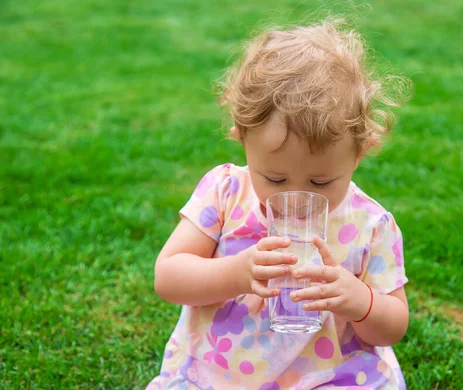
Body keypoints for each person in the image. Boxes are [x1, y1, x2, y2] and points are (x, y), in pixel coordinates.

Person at [147, 18, 410, 390]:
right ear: (242, 139)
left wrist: (361, 302)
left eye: (320, 181)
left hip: (328, 376)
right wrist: (235, 273)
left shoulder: (370, 224)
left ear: (360, 153)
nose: (298, 197)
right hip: (224, 374)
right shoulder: (225, 192)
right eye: (274, 179)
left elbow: (394, 325)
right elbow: (168, 277)